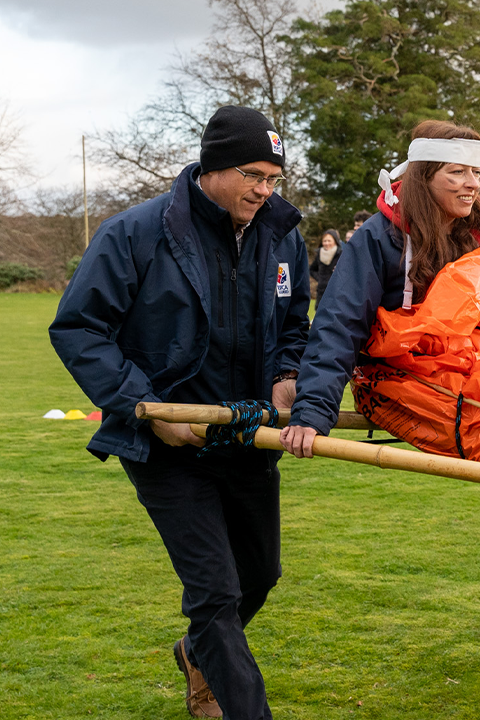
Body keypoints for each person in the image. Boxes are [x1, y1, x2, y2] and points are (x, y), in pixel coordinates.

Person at [50, 106, 310, 719]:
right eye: (253, 174)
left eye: (274, 178)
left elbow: (296, 322)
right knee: (215, 595)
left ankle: (196, 653)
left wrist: (286, 377)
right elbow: (79, 327)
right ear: (213, 165)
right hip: (168, 446)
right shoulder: (135, 233)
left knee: (260, 576)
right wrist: (147, 410)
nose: (263, 190)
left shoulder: (283, 235)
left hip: (248, 438)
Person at [309, 228, 341, 310]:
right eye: (324, 241)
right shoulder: (319, 254)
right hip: (321, 291)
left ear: (335, 241)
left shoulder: (341, 254)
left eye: (329, 240)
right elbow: (312, 269)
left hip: (336, 291)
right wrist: (320, 278)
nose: (326, 243)